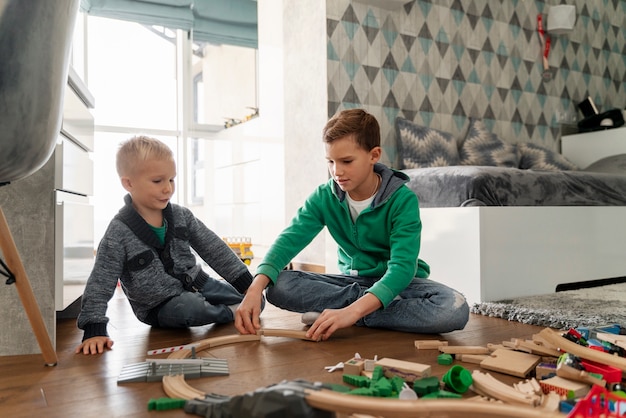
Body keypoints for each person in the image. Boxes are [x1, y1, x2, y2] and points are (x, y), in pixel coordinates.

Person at [235, 109, 469, 341]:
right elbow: (289, 239)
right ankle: (370, 311)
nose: (337, 171)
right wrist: (254, 288)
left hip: (400, 283)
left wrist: (352, 311)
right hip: (351, 282)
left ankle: (349, 313)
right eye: (330, 161)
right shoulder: (324, 196)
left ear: (374, 155)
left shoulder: (402, 200)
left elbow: (402, 268)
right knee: (279, 286)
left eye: (346, 161)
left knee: (453, 309)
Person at [76, 136, 256, 355]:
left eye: (171, 180)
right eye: (158, 181)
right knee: (192, 308)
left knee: (256, 300)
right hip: (159, 306)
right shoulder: (118, 232)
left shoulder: (182, 216)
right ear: (128, 183)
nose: (167, 189)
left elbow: (213, 248)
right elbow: (101, 281)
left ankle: (234, 309)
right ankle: (233, 314)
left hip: (200, 284)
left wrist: (247, 284)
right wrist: (94, 327)